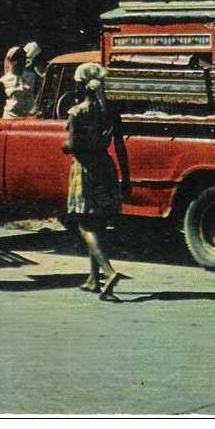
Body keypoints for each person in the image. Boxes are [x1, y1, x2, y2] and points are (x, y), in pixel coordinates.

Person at [63, 63, 131, 301]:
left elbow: (71, 145)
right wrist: (126, 177)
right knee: (98, 224)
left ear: (82, 85)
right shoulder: (110, 111)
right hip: (105, 167)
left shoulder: (76, 112)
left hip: (85, 168)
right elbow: (120, 146)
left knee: (84, 224)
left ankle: (108, 271)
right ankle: (93, 279)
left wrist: (65, 146)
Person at [0, 46, 37, 118]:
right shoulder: (3, 80)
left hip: (28, 119)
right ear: (12, 61)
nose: (22, 63)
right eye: (19, 59)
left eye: (24, 59)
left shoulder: (29, 78)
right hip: (10, 119)